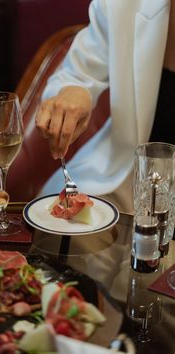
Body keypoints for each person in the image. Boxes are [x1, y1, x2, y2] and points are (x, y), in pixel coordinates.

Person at [35, 0, 175, 213]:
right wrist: (75, 89)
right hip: (124, 185)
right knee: (54, 233)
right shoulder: (121, 4)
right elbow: (76, 73)